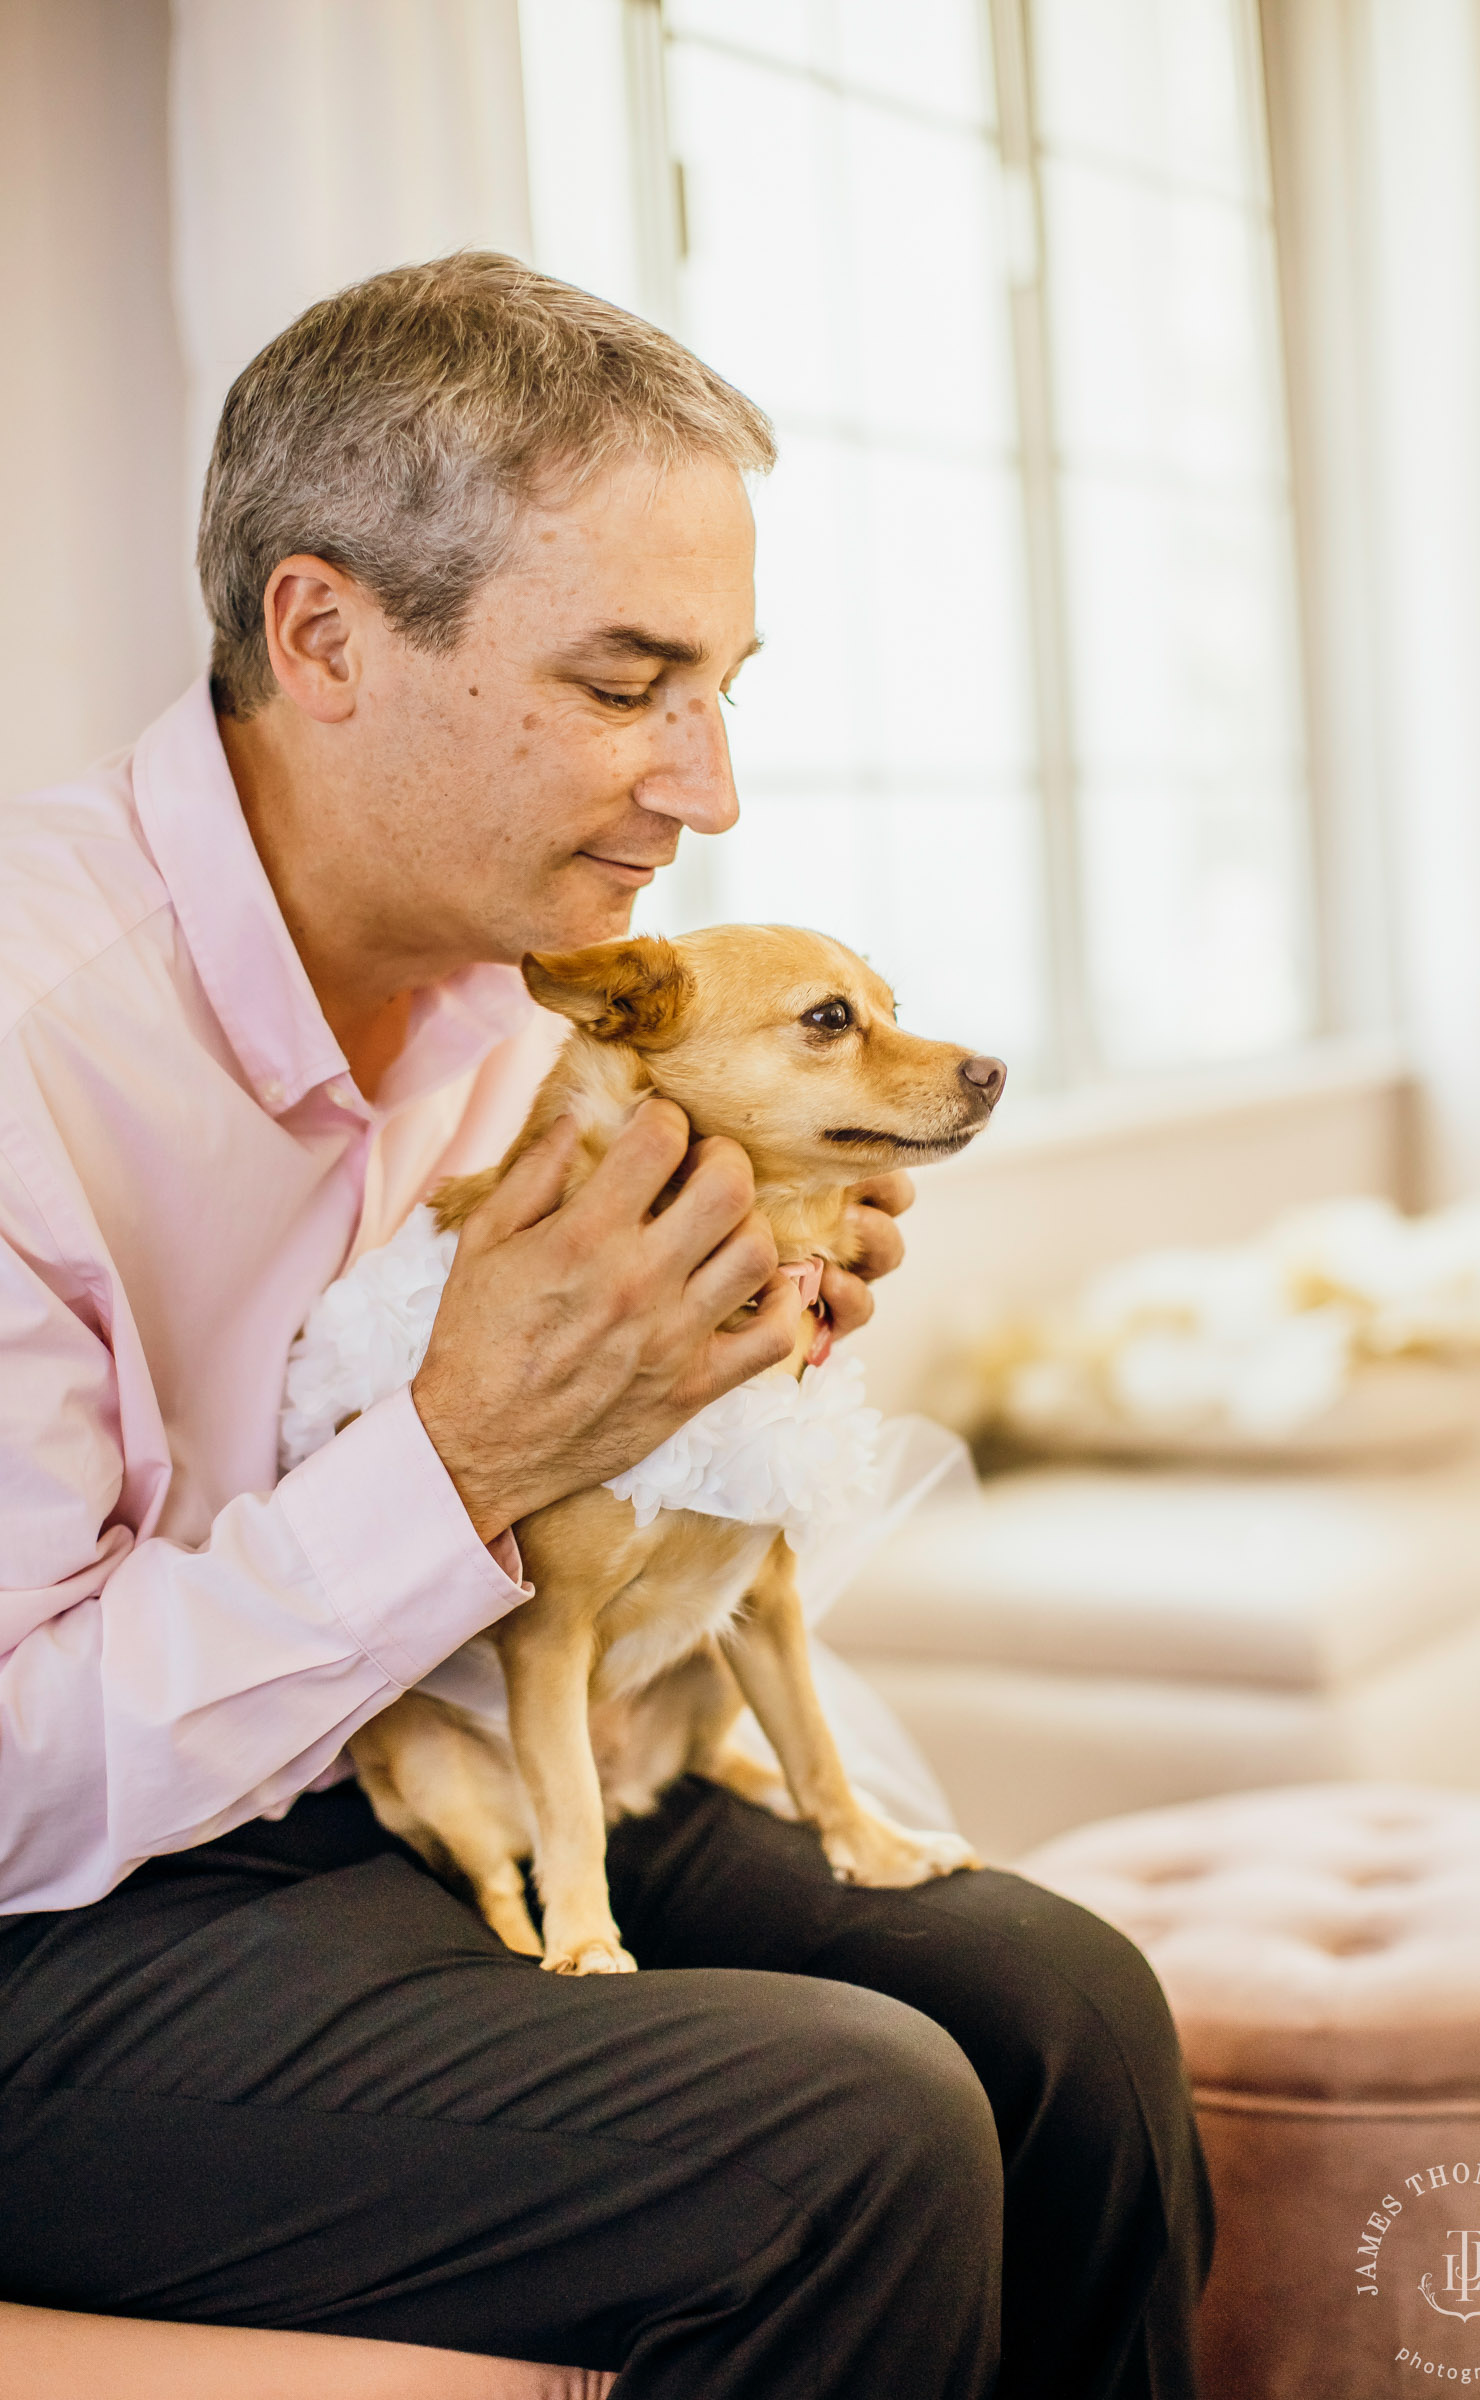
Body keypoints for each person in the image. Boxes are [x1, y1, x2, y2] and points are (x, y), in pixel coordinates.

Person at [0, 253, 1210, 2398]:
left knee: (1061, 2014)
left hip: (413, 1744)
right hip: (66, 1918)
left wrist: (722, 1358)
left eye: (723, 684)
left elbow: (617, 1515)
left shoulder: (547, 997)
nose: (708, 787)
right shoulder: (33, 1036)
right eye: (630, 680)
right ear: (325, 635)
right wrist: (462, 1455)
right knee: (852, 2135)